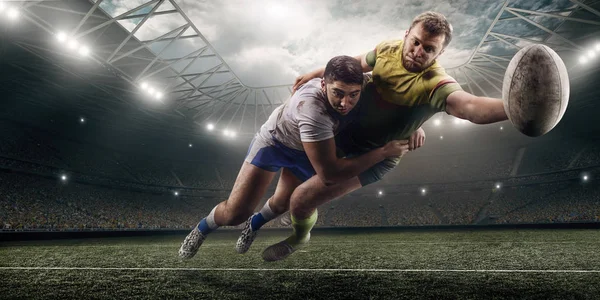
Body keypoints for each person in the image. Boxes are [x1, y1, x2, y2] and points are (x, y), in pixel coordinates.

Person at [245, 11, 509, 262]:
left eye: (429, 49)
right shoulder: (387, 50)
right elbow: (357, 64)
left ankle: (299, 237)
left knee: (300, 200)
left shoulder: (434, 82)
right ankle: (253, 223)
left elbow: (470, 107)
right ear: (406, 35)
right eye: (415, 42)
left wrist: (514, 107)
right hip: (344, 136)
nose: (418, 52)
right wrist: (318, 73)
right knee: (282, 198)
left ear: (440, 52)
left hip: (379, 155)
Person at [178, 55, 418, 259]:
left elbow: (395, 99)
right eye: (338, 93)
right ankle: (201, 229)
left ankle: (254, 225)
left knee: (282, 203)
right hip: (276, 142)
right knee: (235, 213)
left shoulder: (363, 86)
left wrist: (413, 125)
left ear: (361, 88)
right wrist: (384, 152)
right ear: (323, 85)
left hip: (311, 149)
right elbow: (331, 174)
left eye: (353, 95)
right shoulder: (312, 108)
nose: (345, 103)